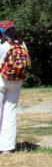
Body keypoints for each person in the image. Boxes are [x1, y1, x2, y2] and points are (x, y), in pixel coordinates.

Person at [0, 20, 29, 154]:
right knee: (10, 113)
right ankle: (7, 147)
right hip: (16, 81)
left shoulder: (4, 45)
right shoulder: (22, 44)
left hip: (2, 80)